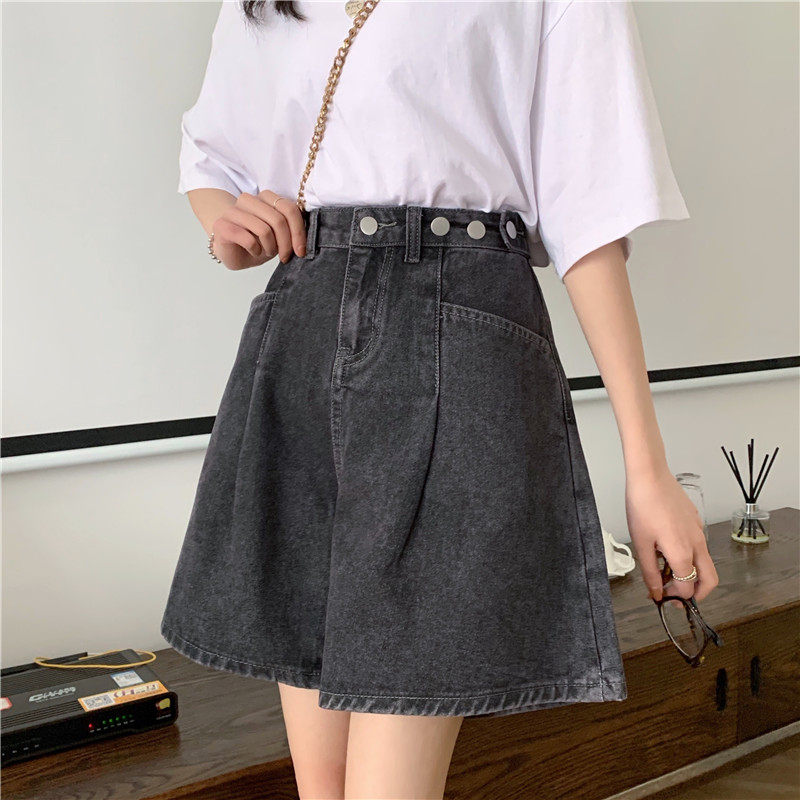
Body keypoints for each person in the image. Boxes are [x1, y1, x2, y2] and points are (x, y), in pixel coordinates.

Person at [161, 1, 719, 797]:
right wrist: (228, 221)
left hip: (461, 334)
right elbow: (211, 150)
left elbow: (589, 207)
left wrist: (647, 468)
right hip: (304, 327)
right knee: (322, 786)